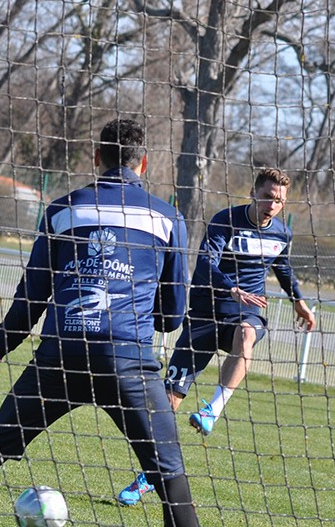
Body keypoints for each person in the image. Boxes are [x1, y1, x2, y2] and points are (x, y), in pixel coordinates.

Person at [0, 119, 200, 527]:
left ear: (97, 159)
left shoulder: (61, 209)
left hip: (60, 358)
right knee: (171, 479)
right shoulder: (168, 217)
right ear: (143, 163)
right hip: (126, 362)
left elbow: (29, 302)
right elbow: (172, 317)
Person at [116, 167, 316, 506]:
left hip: (245, 312)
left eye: (279, 200)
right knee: (166, 407)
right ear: (254, 194)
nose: (272, 204)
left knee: (247, 332)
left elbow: (282, 267)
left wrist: (299, 300)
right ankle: (150, 476)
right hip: (205, 316)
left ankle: (213, 410)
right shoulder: (226, 221)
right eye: (267, 196)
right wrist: (231, 288)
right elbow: (206, 261)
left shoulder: (282, 234)